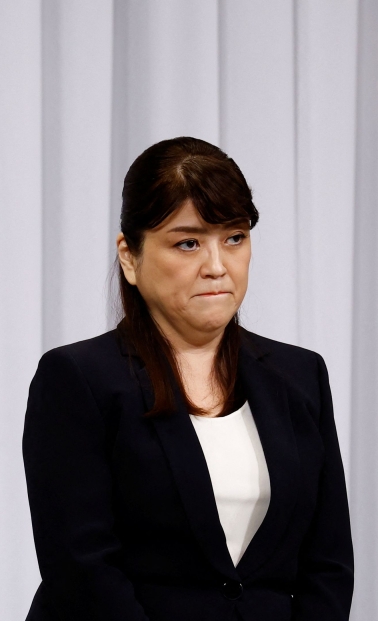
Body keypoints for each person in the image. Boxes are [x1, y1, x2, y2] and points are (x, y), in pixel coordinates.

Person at [23, 137, 353, 620]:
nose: (217, 266)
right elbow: (82, 570)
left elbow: (328, 563)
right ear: (130, 257)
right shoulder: (79, 378)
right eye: (188, 242)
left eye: (234, 238)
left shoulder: (300, 375)